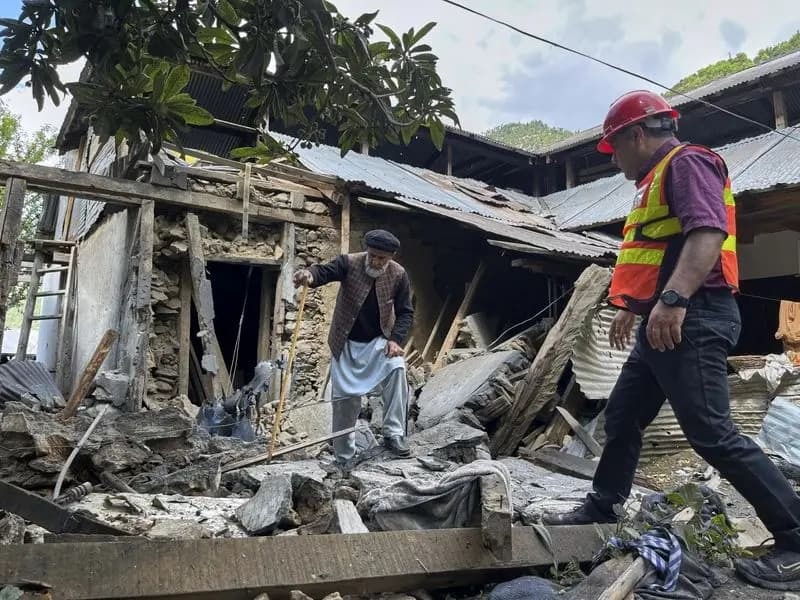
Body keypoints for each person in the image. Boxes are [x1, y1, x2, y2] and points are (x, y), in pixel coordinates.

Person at [542, 90, 800, 591]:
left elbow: (706, 234)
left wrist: (674, 300)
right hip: (666, 318)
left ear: (637, 134)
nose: (613, 160)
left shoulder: (688, 163)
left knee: (711, 434)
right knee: (624, 416)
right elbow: (661, 250)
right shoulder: (655, 179)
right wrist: (633, 306)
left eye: (615, 149)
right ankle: (604, 503)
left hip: (694, 316)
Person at [293, 229, 414, 461]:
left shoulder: (399, 275)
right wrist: (309, 275)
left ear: (391, 258)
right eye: (373, 256)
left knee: (397, 369)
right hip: (345, 341)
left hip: (379, 342)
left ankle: (394, 433)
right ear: (367, 251)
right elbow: (324, 271)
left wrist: (396, 340)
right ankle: (344, 453)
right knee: (344, 399)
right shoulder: (349, 262)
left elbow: (406, 312)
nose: (377, 262)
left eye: (383, 258)